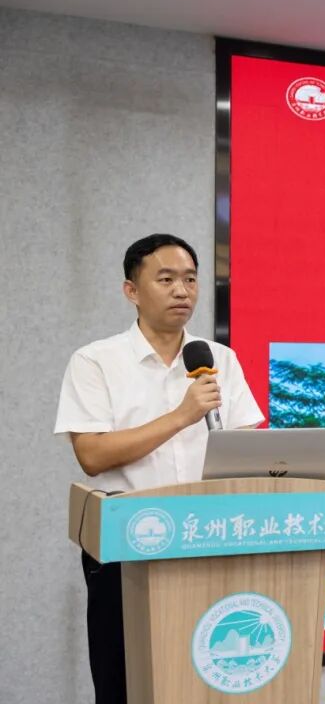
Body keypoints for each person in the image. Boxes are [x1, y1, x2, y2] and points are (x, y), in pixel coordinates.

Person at [54, 233, 264, 704]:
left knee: (209, 679)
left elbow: (247, 451)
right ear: (131, 290)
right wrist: (181, 416)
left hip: (213, 540)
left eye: (190, 279)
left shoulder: (219, 359)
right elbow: (92, 455)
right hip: (130, 546)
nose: (182, 291)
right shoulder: (96, 361)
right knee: (126, 682)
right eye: (166, 280)